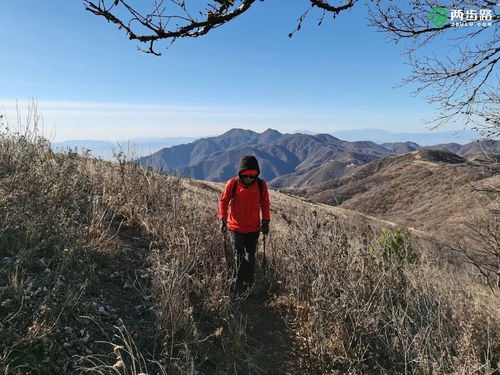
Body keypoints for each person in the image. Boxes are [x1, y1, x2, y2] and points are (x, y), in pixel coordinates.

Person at [218, 155, 271, 297]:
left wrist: (266, 221)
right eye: (245, 175)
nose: (248, 178)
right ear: (240, 173)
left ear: (257, 174)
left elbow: (265, 203)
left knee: (251, 256)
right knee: (239, 255)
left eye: (252, 176)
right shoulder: (232, 184)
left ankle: (248, 282)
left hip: (253, 228)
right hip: (235, 227)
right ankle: (237, 282)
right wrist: (222, 217)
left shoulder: (261, 185)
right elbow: (223, 201)